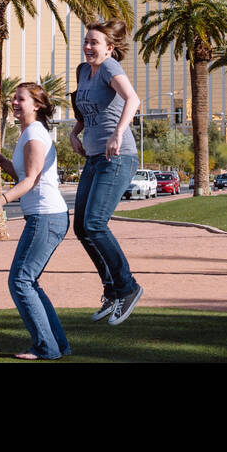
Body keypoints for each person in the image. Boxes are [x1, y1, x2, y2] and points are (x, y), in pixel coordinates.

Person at [0, 83, 70, 360]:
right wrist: (3, 162)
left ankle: (47, 347)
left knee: (20, 281)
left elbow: (32, 180)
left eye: (21, 99)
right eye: (13, 99)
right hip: (45, 216)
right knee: (28, 281)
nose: (15, 103)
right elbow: (26, 173)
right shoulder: (29, 134)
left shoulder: (34, 135)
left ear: (37, 105)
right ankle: (58, 345)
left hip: (46, 216)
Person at [69, 19, 143, 326]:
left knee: (96, 224)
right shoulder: (83, 72)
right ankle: (112, 291)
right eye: (86, 41)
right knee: (81, 228)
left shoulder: (111, 68)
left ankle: (128, 288)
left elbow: (133, 99)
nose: (88, 47)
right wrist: (75, 133)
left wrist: (117, 133)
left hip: (118, 156)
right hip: (94, 158)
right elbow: (87, 111)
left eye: (94, 43)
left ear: (109, 48)